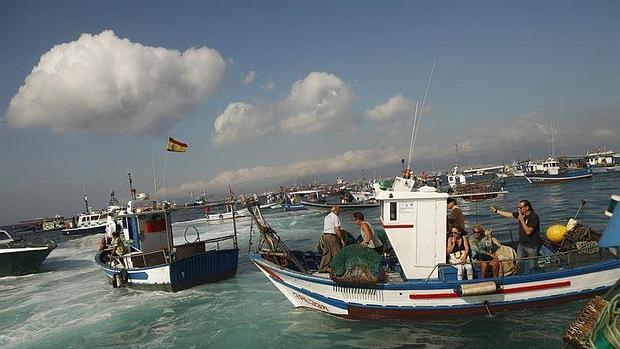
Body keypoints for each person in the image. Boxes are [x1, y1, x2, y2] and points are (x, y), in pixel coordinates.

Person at [490, 199, 541, 274]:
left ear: (527, 207)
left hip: (531, 245)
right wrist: (496, 211)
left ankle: (534, 278)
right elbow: (509, 214)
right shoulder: (520, 214)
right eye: (518, 207)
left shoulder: (534, 217)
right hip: (521, 244)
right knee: (519, 263)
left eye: (520, 208)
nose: (518, 209)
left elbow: (528, 231)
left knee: (532, 265)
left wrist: (522, 220)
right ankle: (520, 276)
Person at [318, 206, 345, 273]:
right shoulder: (335, 217)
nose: (339, 213)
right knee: (337, 252)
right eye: (339, 211)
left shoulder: (327, 217)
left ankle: (323, 268)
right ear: (335, 211)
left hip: (325, 235)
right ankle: (340, 269)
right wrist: (342, 239)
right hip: (331, 236)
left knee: (327, 253)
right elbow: (336, 229)